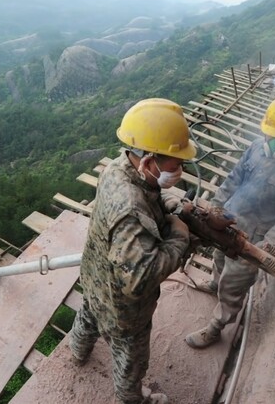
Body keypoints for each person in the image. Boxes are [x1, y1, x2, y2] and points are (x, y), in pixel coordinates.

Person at [68, 98, 196, 404]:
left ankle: (77, 351)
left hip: (95, 277)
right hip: (122, 308)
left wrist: (169, 206)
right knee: (131, 356)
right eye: (175, 163)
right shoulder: (130, 208)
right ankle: (132, 398)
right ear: (149, 161)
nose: (180, 169)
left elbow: (147, 198)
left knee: (88, 315)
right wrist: (179, 238)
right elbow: (139, 279)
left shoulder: (119, 168)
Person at [184, 95, 275, 349]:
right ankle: (214, 282)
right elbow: (233, 180)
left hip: (253, 239)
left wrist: (263, 250)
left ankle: (216, 327)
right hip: (228, 221)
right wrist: (216, 208)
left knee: (233, 286)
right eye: (268, 133)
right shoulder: (255, 148)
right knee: (218, 261)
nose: (270, 140)